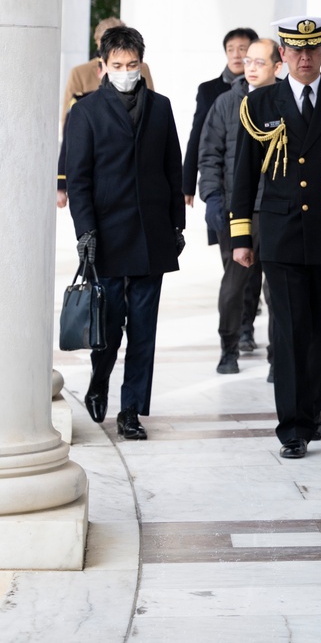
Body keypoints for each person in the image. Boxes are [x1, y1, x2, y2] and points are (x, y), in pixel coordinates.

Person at [229, 17, 321, 459]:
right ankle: (293, 427)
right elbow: (244, 174)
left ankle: (313, 407)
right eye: (296, 51)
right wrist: (241, 236)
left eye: (313, 50)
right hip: (283, 233)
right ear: (283, 55)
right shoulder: (260, 103)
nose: (305, 58)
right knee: (287, 334)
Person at [64, 25, 184, 440]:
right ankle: (100, 380)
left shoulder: (161, 107)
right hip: (107, 238)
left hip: (152, 236)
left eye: (132, 65)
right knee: (110, 327)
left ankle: (131, 410)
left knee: (144, 331)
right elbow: (78, 180)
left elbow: (173, 170)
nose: (126, 71)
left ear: (141, 63)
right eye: (118, 65)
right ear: (103, 66)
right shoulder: (85, 112)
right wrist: (86, 233)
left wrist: (176, 225)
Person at [199, 37, 281, 373]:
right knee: (234, 285)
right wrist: (215, 200)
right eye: (248, 61)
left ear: (278, 65)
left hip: (277, 212)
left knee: (277, 289)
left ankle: (279, 356)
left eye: (259, 62)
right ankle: (228, 348)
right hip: (238, 212)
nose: (250, 67)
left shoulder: (286, 103)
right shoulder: (225, 103)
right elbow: (209, 155)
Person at [58, 16, 155, 205]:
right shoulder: (80, 73)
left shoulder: (141, 69)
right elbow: (69, 121)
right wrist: (62, 180)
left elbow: (151, 108)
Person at [181, 27, 259, 205]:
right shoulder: (209, 90)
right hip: (221, 185)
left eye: (242, 48)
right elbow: (198, 136)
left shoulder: (270, 88)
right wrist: (188, 184)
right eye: (230, 49)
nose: (236, 55)